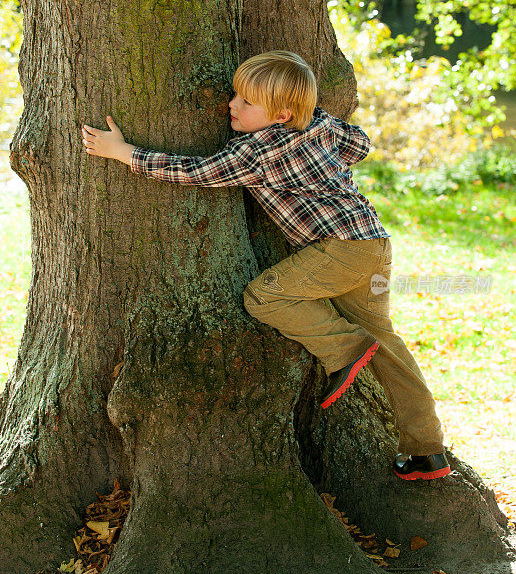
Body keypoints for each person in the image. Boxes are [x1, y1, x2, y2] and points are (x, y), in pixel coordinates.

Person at [82, 50, 451, 481]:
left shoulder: (257, 153)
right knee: (388, 345)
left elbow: (196, 172)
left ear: (282, 114)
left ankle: (346, 348)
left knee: (265, 296)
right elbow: (360, 145)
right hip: (373, 245)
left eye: (247, 102)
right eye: (236, 95)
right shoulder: (319, 125)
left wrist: (125, 153)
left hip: (341, 251)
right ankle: (427, 450)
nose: (232, 106)